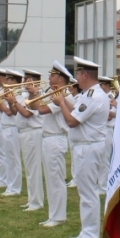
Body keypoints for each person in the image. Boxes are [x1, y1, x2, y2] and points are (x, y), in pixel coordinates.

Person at [56, 57, 109, 238]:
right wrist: (63, 102)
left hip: (88, 146)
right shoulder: (88, 95)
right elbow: (78, 111)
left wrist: (61, 103)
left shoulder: (94, 96)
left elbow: (72, 121)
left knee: (88, 191)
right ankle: (86, 229)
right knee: (85, 190)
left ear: (85, 74)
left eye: (78, 74)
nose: (76, 78)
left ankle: (91, 232)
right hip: (85, 145)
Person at [34, 61, 74, 227]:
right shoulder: (52, 93)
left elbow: (42, 110)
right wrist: (34, 95)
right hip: (48, 138)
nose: (49, 77)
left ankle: (58, 216)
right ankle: (53, 215)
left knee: (56, 179)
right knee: (50, 179)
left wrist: (35, 94)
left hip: (56, 138)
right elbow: (37, 107)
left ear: (60, 78)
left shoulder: (63, 95)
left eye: (52, 75)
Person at [12, 69, 45, 212]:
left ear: (34, 81)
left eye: (28, 79)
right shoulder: (24, 95)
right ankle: (32, 199)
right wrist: (11, 101)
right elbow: (14, 112)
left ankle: (37, 202)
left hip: (33, 132)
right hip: (24, 132)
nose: (25, 82)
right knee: (29, 169)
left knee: (34, 169)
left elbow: (26, 113)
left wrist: (15, 102)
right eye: (25, 79)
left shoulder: (38, 95)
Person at [0, 69, 24, 197]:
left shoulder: (19, 96)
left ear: (14, 81)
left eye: (8, 79)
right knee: (8, 159)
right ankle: (10, 185)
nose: (5, 82)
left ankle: (15, 187)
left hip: (13, 128)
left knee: (14, 159)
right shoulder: (10, 94)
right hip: (6, 127)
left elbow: (12, 112)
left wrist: (9, 100)